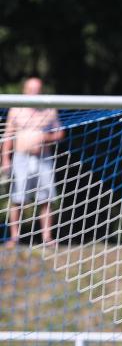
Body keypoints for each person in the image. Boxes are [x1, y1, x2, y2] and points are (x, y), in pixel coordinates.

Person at [1, 77, 64, 247]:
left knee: (46, 198)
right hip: (21, 158)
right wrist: (5, 158)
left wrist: (46, 137)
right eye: (31, 89)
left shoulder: (48, 110)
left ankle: (47, 237)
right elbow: (8, 136)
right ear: (24, 90)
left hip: (43, 159)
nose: (34, 92)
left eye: (38, 89)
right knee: (17, 198)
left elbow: (60, 133)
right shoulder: (16, 110)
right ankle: (14, 237)